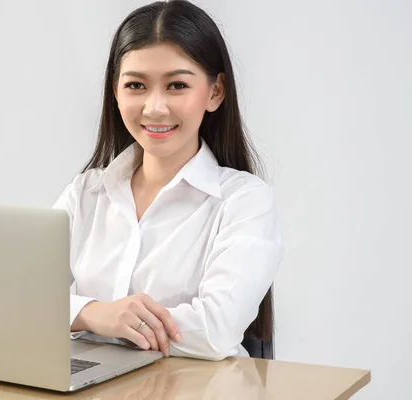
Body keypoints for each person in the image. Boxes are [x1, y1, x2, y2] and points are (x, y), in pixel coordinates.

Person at [53, 0, 283, 361]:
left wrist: (99, 320)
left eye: (176, 85)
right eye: (136, 85)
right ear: (115, 91)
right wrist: (94, 313)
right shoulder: (85, 193)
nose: (155, 107)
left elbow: (215, 330)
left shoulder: (243, 200)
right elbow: (19, 302)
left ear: (214, 92)